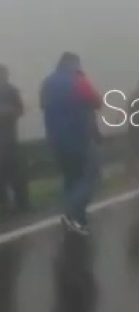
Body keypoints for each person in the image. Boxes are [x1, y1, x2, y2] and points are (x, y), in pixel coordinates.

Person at [40, 53, 102, 236]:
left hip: (54, 138)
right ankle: (72, 212)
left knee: (71, 177)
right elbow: (97, 102)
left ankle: (76, 218)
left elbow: (44, 106)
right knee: (92, 175)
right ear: (72, 63)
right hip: (78, 136)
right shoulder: (77, 81)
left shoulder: (47, 83)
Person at [0, 66, 29, 214]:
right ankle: (6, 205)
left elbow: (20, 110)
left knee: (15, 172)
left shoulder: (12, 91)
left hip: (10, 138)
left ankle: (21, 204)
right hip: (6, 139)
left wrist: (7, 111)